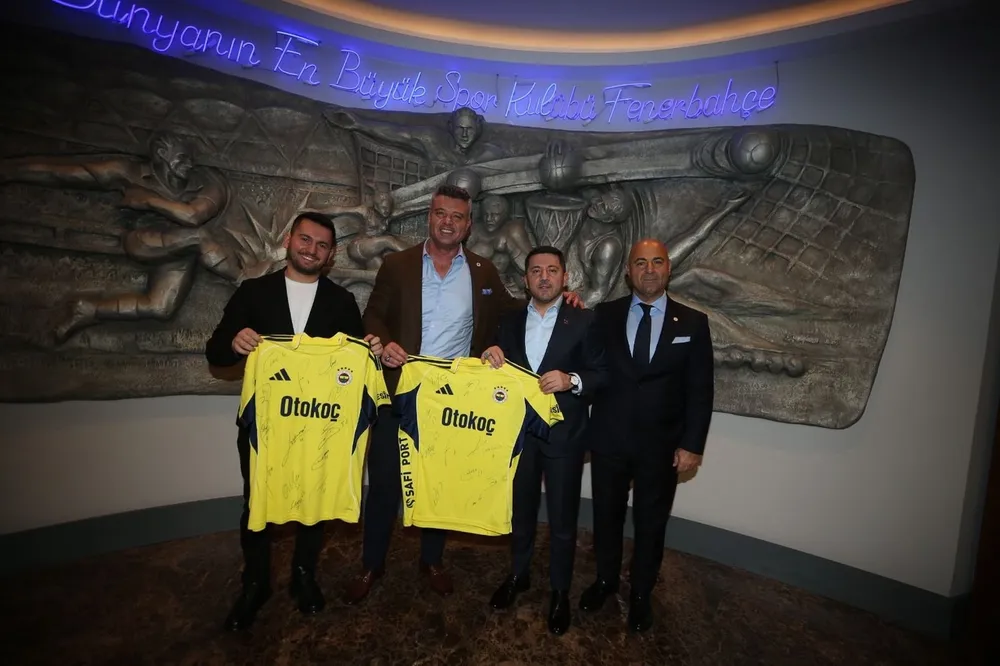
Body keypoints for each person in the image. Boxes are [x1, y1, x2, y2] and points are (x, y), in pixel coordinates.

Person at [344, 184, 583, 603]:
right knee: (384, 484)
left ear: (468, 225)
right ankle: (371, 564)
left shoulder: (482, 271)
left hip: (450, 401)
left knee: (442, 482)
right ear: (429, 217)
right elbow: (373, 315)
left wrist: (561, 298)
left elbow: (513, 307)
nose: (448, 222)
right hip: (400, 391)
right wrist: (384, 342)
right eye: (441, 213)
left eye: (457, 216)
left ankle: (432, 560)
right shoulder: (397, 265)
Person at [205, 212, 383, 632]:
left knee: (313, 502)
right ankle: (255, 583)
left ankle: (304, 574)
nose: (312, 250)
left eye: (322, 245)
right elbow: (216, 350)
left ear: (331, 254)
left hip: (321, 427)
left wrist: (370, 350)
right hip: (265, 427)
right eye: (306, 239)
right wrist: (234, 342)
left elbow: (355, 360)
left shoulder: (341, 301)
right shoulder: (254, 292)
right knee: (257, 503)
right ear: (289, 240)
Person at [579, 238, 715, 633]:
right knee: (606, 517)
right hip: (609, 440)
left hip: (662, 447)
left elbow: (700, 391)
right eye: (640, 262)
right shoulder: (604, 315)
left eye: (657, 262)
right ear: (628, 272)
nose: (649, 269)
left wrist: (692, 444)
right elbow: (588, 364)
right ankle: (605, 581)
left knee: (651, 523)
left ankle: (640, 593)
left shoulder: (693, 323)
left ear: (668, 268)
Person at [480, 245, 607, 635]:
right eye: (536, 271)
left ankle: (559, 592)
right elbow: (493, 368)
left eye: (552, 270)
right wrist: (489, 353)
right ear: (526, 279)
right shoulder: (508, 320)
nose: (544, 277)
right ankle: (518, 576)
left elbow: (602, 372)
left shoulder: (585, 320)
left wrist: (572, 380)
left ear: (565, 277)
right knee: (520, 513)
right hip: (518, 435)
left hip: (564, 436)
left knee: (563, 521)